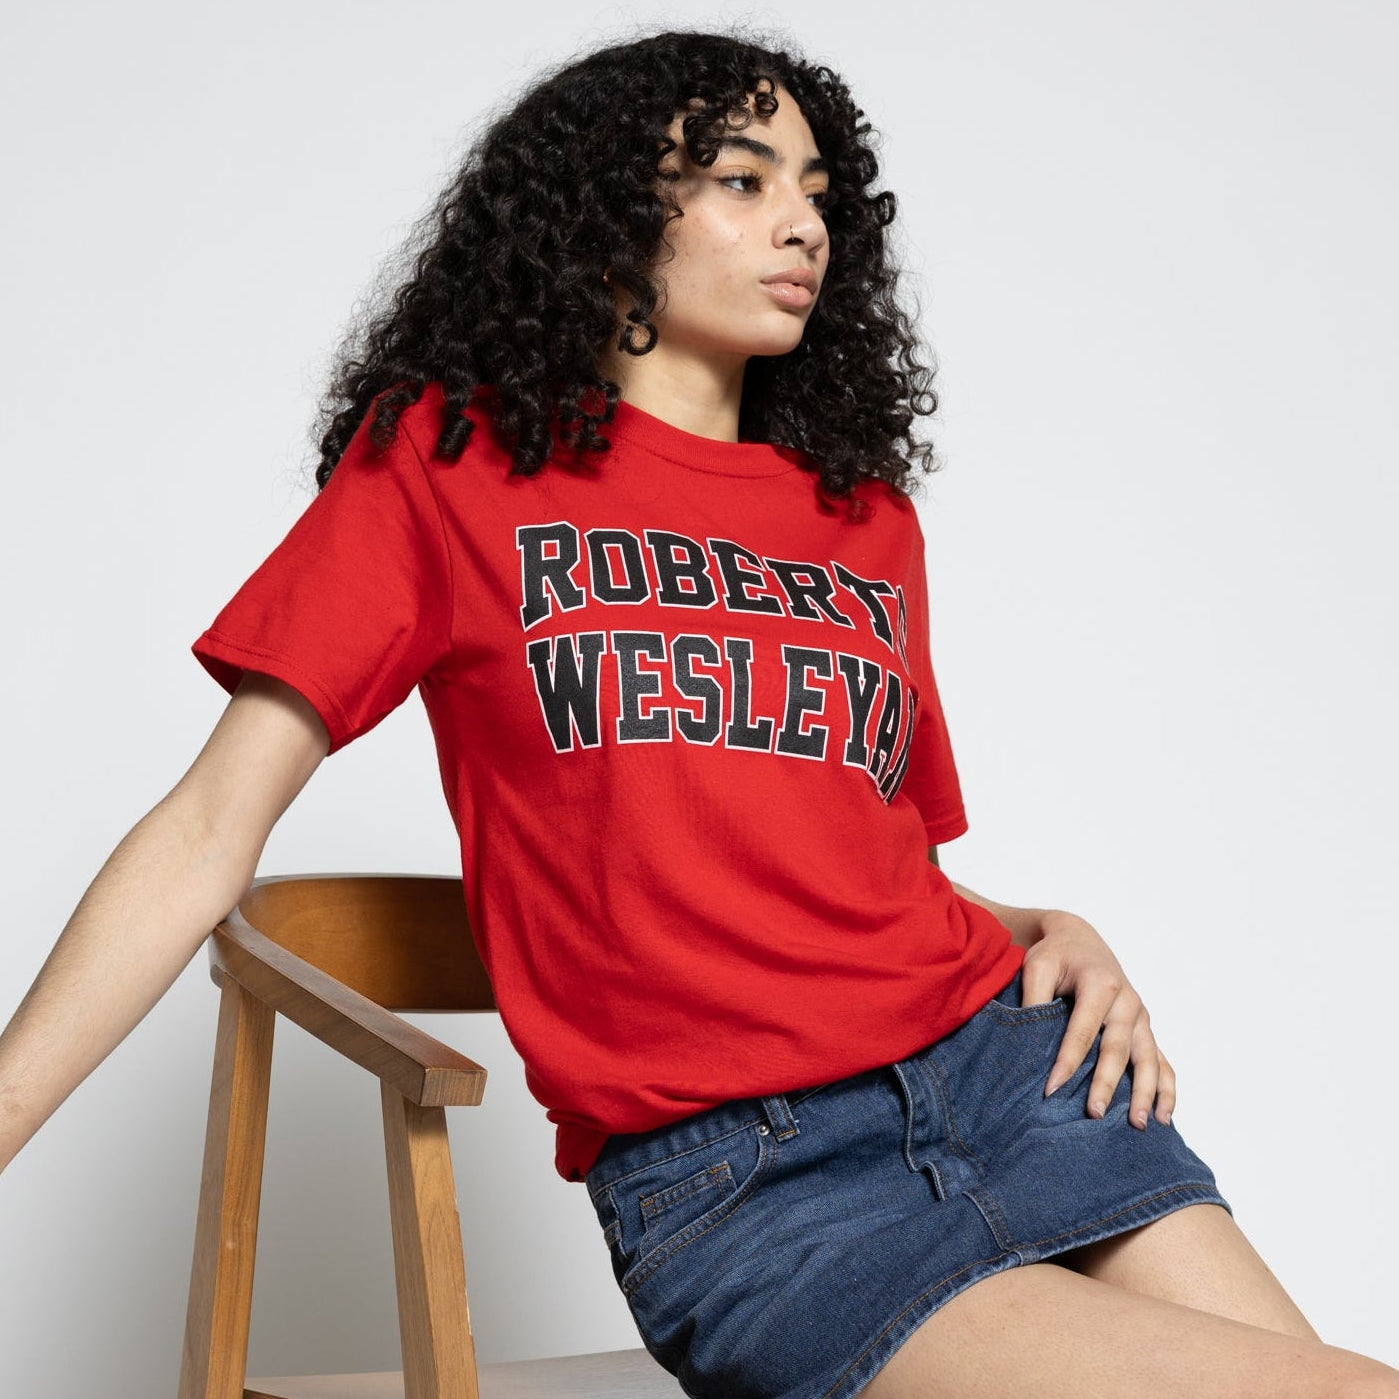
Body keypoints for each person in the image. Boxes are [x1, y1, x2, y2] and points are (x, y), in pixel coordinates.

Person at [0, 26, 1395, 1399]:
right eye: (744, 180)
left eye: (817, 194)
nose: (802, 223)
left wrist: (1044, 927)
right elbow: (203, 832)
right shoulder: (450, 468)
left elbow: (851, 867)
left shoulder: (861, 521)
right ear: (608, 218)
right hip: (755, 1188)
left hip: (1014, 1087)